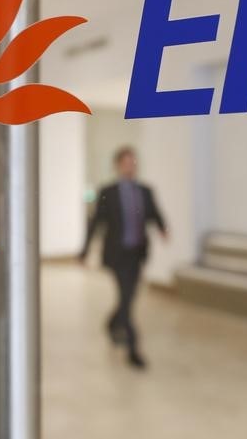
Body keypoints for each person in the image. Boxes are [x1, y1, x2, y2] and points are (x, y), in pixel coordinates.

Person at [79, 146, 167, 370]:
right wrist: (85, 251)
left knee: (129, 296)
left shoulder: (145, 190)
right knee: (126, 298)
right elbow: (96, 222)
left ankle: (111, 323)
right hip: (117, 254)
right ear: (117, 165)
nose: (130, 166)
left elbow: (154, 212)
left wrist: (162, 228)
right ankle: (133, 348)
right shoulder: (108, 190)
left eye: (133, 162)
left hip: (137, 254)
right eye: (126, 162)